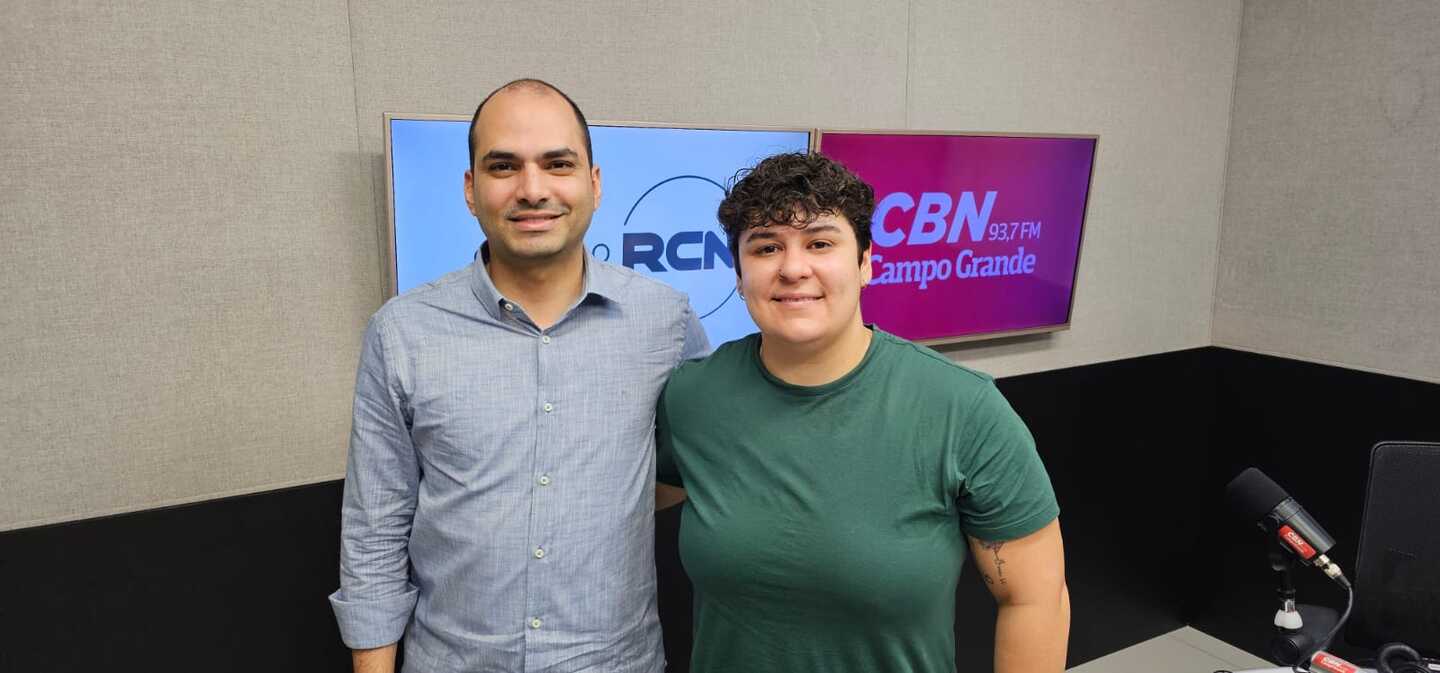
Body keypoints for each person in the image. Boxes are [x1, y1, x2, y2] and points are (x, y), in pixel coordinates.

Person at [329, 78, 709, 673]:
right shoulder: (401, 332)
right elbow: (376, 529)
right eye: (503, 166)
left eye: (558, 164)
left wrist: (617, 495)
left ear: (595, 183)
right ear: (470, 189)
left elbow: (702, 462)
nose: (533, 190)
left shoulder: (666, 320)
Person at [655, 152, 1069, 673]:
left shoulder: (962, 408)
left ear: (866, 262)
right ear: (739, 275)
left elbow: (1036, 598)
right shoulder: (696, 395)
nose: (793, 267)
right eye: (765, 247)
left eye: (821, 243)